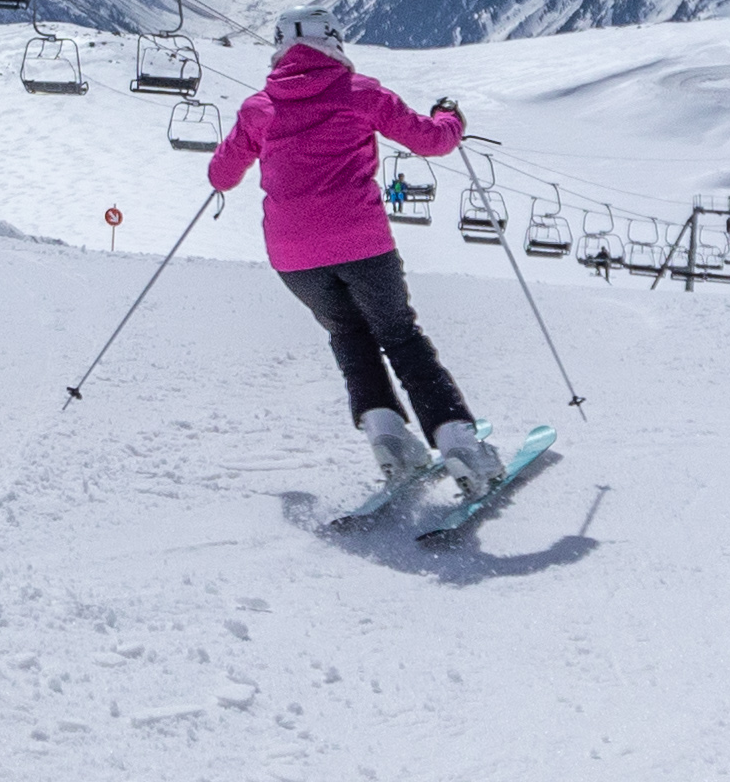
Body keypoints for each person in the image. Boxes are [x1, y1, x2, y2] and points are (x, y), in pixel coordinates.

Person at [207, 30, 523, 512]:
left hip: (293, 255)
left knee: (348, 335)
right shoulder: (361, 93)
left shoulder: (258, 108)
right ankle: (462, 446)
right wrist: (450, 117)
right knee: (399, 336)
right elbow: (433, 141)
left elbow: (222, 175)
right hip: (361, 243)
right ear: (330, 42)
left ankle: (389, 440)